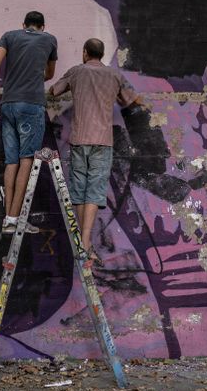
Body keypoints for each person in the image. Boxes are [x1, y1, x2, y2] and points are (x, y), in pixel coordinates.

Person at [49, 38, 142, 253]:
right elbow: (132, 99)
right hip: (102, 140)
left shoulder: (76, 71)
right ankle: (86, 240)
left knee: (79, 190)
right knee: (94, 191)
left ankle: (81, 240)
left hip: (79, 139)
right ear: (101, 54)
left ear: (84, 53)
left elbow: (54, 91)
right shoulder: (114, 75)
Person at [0, 11, 58, 234]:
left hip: (7, 104)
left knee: (11, 161)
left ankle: (9, 220)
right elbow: (49, 73)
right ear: (42, 26)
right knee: (27, 158)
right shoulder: (49, 39)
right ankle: (15, 218)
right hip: (31, 105)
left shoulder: (9, 36)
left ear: (23, 24)